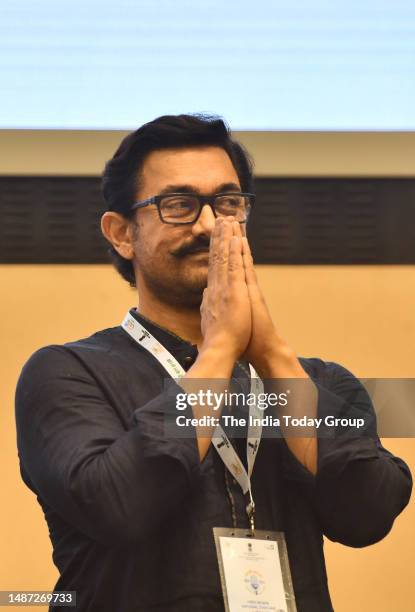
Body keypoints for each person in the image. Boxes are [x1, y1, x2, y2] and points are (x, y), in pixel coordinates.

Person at [15, 114, 412, 612]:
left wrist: (269, 353)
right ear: (121, 233)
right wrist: (220, 348)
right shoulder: (64, 373)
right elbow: (119, 503)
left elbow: (369, 509)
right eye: (178, 205)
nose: (208, 224)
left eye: (227, 203)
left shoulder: (324, 381)